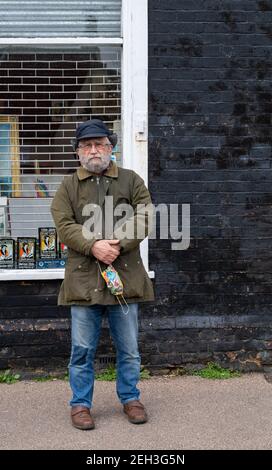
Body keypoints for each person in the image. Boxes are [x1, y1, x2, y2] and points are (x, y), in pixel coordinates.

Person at [51, 119, 154, 430]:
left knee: (129, 349)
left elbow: (145, 213)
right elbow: (63, 223)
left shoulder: (131, 180)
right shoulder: (68, 186)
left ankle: (131, 398)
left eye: (100, 144)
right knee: (82, 350)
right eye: (87, 145)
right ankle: (80, 405)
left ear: (111, 148)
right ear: (78, 152)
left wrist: (118, 245)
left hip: (125, 277)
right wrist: (93, 246)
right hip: (83, 280)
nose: (94, 150)